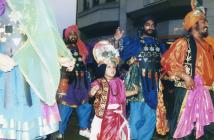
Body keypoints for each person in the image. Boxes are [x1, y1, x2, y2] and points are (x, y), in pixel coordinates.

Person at [0, 0, 74, 140]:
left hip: (29, 79)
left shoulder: (32, 5)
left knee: (31, 132)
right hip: (5, 79)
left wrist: (58, 57)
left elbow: (40, 40)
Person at [161, 4, 214, 139]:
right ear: (194, 24)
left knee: (206, 130)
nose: (206, 24)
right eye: (203, 21)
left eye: (206, 21)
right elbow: (168, 61)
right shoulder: (183, 42)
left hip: (207, 93)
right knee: (185, 131)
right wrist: (185, 76)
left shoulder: (208, 45)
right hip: (188, 92)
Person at [115, 16, 166, 140]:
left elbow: (167, 61)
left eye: (153, 25)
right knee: (136, 116)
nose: (151, 27)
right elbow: (120, 54)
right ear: (142, 27)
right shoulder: (135, 42)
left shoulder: (160, 45)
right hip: (138, 82)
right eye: (148, 24)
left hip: (153, 84)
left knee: (150, 117)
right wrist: (117, 41)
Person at [89, 40, 130, 140]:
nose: (112, 69)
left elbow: (123, 94)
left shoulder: (119, 81)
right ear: (102, 69)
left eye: (114, 67)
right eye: (109, 67)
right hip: (104, 117)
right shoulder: (98, 82)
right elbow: (90, 94)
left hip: (118, 116)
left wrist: (133, 92)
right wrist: (91, 93)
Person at [57, 25, 92, 139]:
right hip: (67, 81)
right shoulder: (62, 48)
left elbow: (93, 56)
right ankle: (60, 130)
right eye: (70, 34)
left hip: (82, 81)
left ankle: (83, 128)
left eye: (74, 34)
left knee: (85, 105)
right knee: (64, 108)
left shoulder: (83, 48)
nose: (72, 36)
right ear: (67, 36)